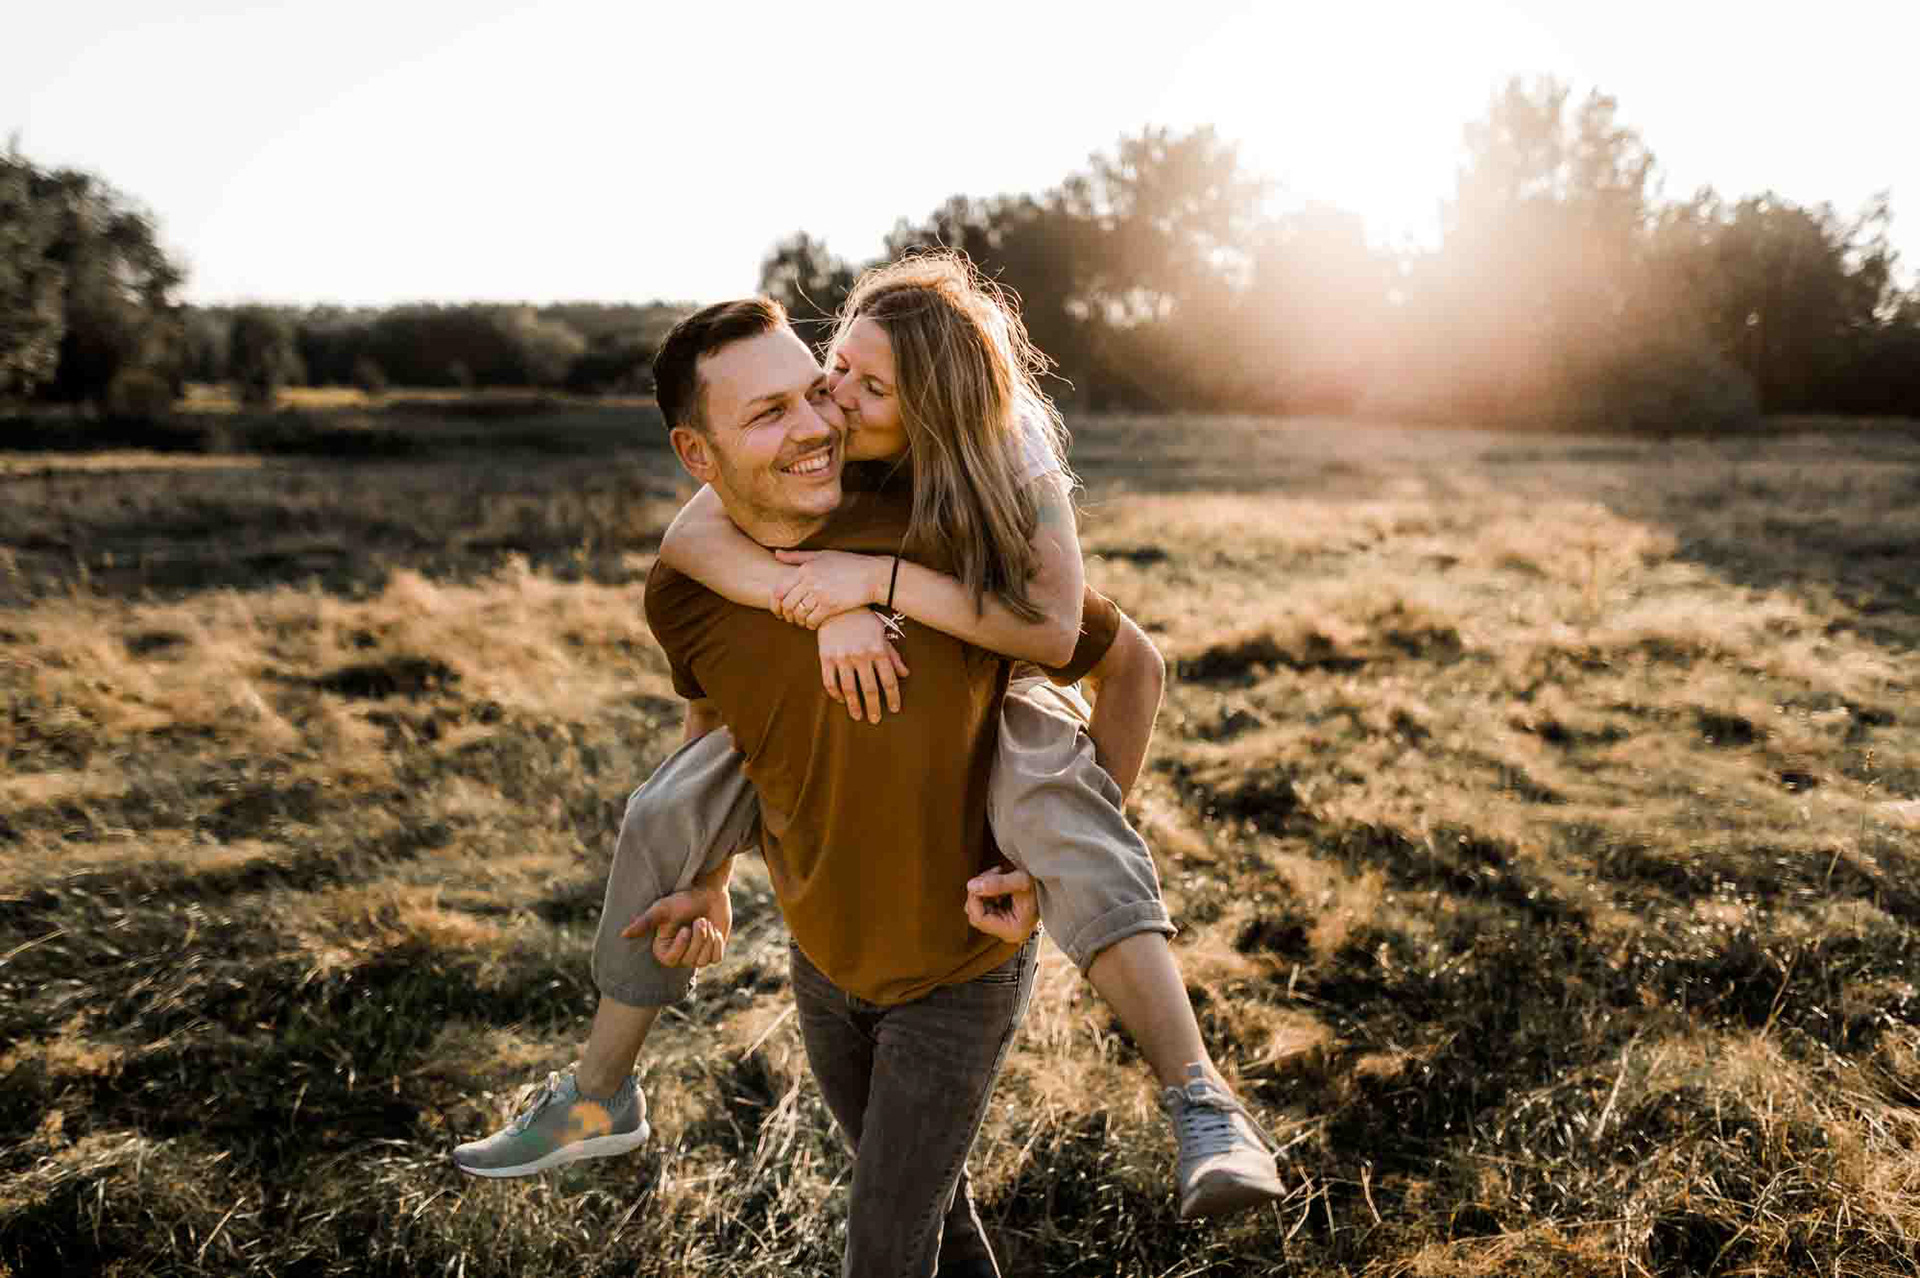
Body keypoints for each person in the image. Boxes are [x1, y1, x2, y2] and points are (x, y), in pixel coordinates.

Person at [454, 260, 1279, 1230]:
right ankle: (599, 1089)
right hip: (825, 956)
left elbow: (1100, 650)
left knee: (884, 1239)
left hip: (959, 959)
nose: (824, 415)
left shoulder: (947, 522)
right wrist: (712, 870)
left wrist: (873, 582)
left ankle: (1198, 1092)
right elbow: (717, 710)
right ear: (699, 452)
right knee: (666, 806)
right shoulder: (693, 578)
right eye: (801, 393)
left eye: (834, 390)